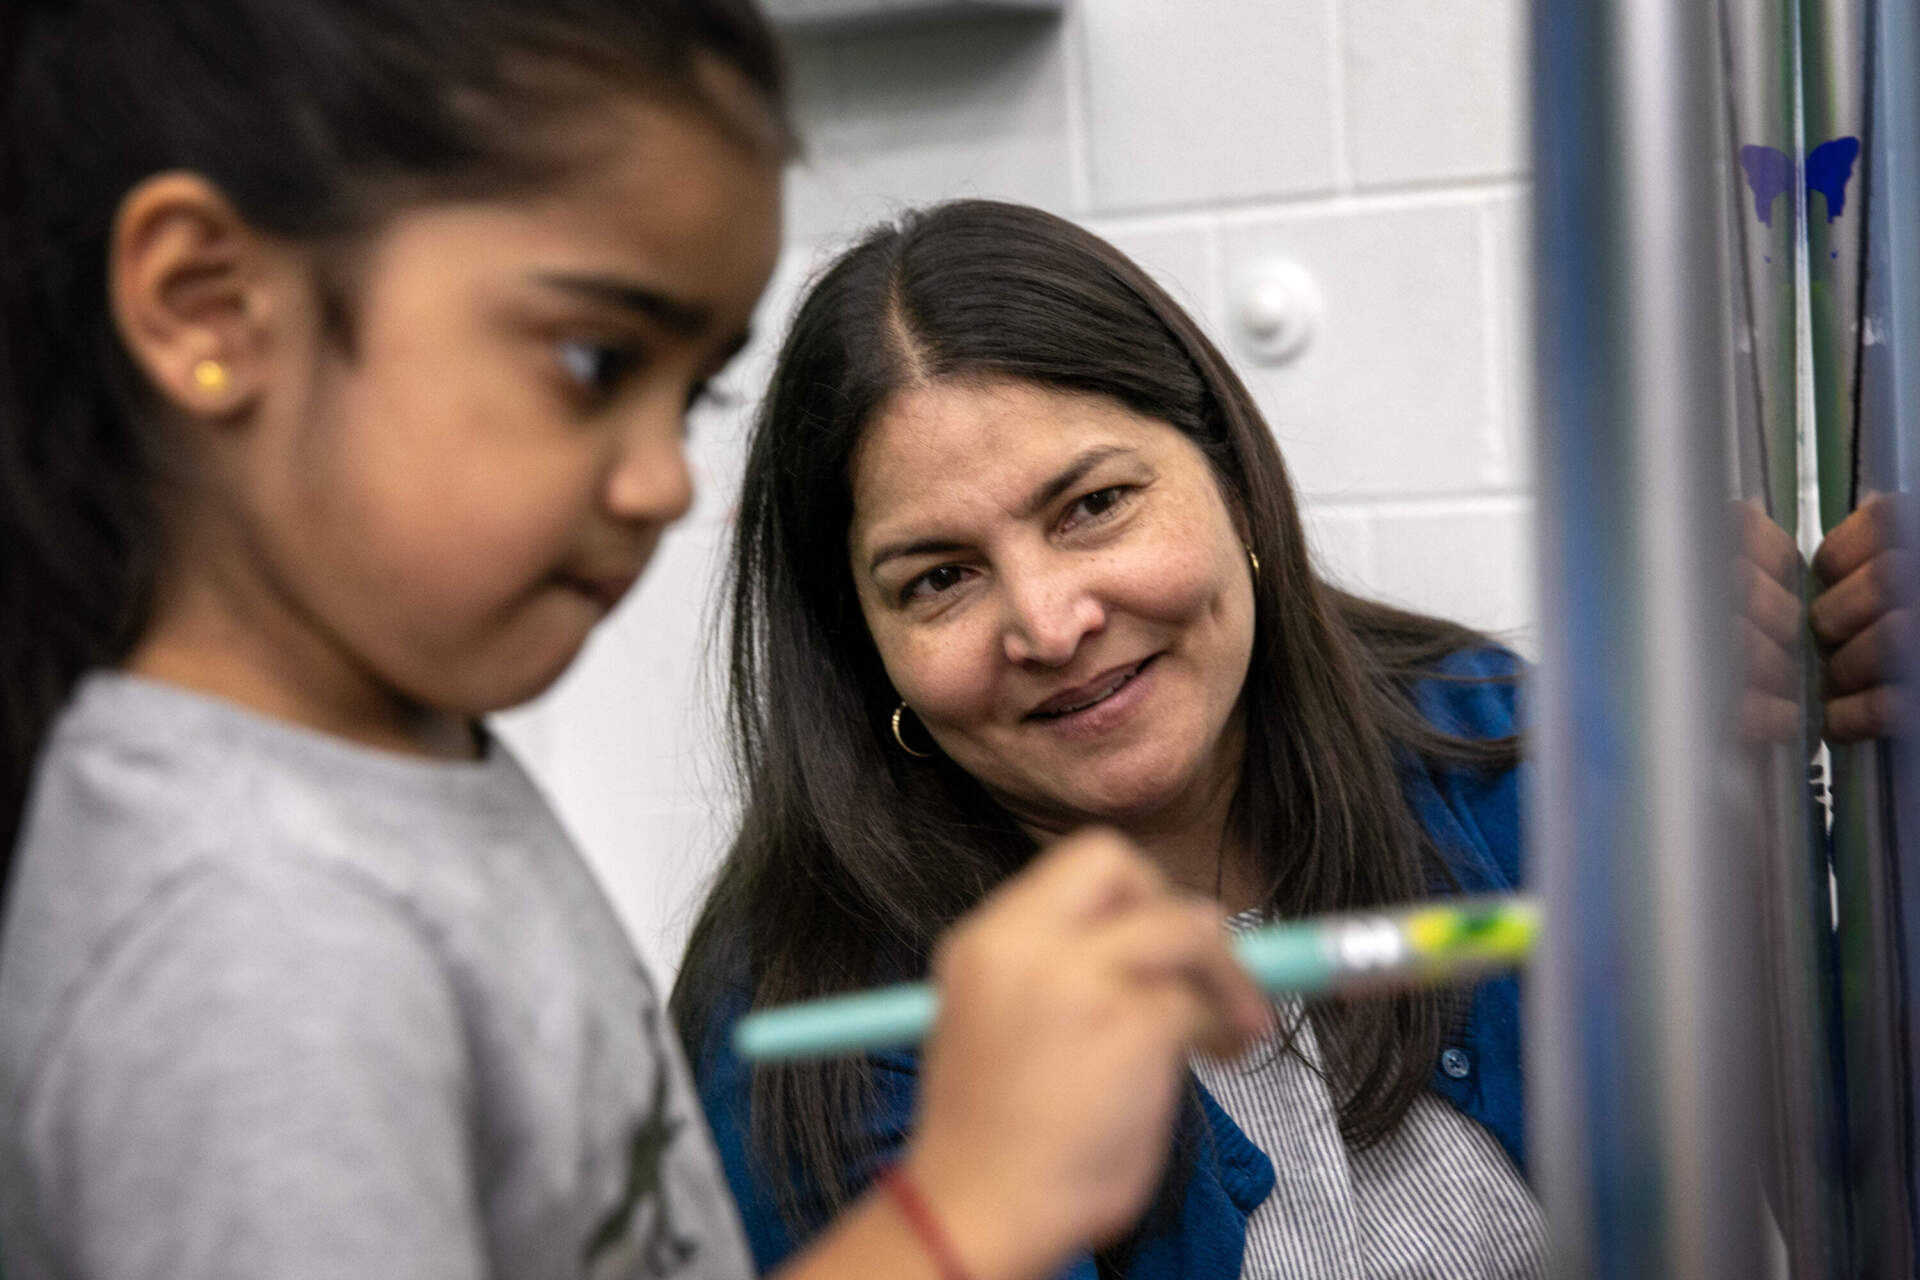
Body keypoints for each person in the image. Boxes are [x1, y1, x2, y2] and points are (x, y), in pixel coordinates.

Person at [0, 6, 1269, 1279]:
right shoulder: (247, 939)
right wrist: (963, 1210)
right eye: (596, 359)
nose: (668, 480)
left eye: (692, 388)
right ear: (209, 309)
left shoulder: (409, 779)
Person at [672, 199, 1546, 1279]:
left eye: (1092, 505)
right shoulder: (814, 1015)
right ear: (866, 649)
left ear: (1230, 477)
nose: (1049, 623)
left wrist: (1756, 775)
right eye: (940, 578)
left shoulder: (1494, 738)